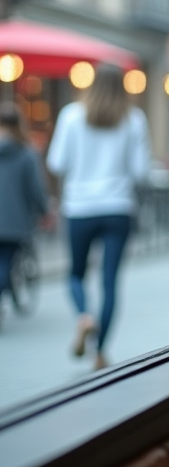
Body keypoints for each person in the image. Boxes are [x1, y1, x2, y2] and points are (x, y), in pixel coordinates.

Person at [47, 63, 150, 370]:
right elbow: (141, 172)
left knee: (76, 274)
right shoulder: (133, 119)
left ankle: (84, 316)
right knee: (109, 283)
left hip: (79, 208)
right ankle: (101, 351)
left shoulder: (71, 116)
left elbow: (56, 163)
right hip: (118, 208)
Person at [0, 103, 48, 316]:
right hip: (14, 220)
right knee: (6, 262)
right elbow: (35, 189)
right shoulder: (26, 153)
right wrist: (44, 210)